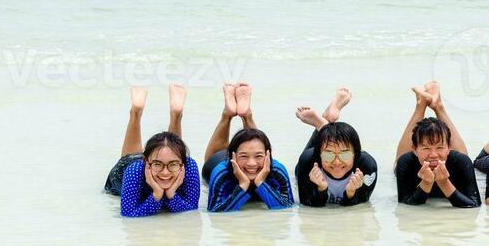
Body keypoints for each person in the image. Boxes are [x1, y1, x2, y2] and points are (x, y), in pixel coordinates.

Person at [105, 85, 200, 217]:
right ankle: (135, 112)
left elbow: (191, 212)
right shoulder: (134, 172)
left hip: (160, 160)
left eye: (173, 165)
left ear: (183, 164)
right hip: (127, 168)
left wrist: (171, 194)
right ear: (145, 161)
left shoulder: (190, 167)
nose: (165, 173)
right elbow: (128, 216)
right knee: (129, 157)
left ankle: (176, 113)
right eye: (158, 165)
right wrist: (156, 195)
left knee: (173, 149)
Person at [201, 82, 295, 211]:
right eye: (244, 156)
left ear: (268, 155)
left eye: (259, 156)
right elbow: (215, 211)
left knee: (254, 143)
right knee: (214, 156)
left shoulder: (277, 170)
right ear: (232, 156)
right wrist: (243, 185)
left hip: (251, 158)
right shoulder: (221, 172)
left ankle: (245, 115)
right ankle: (228, 116)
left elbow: (287, 208)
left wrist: (260, 182)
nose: (252, 163)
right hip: (218, 160)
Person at [394, 81, 480, 208]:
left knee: (462, 156)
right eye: (426, 148)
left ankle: (438, 106)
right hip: (412, 160)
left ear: (449, 147)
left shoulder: (461, 162)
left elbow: (474, 204)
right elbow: (405, 204)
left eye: (440, 147)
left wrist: (444, 182)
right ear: (415, 149)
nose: (433, 155)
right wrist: (426, 183)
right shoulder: (405, 163)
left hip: (454, 157)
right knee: (398, 162)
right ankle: (421, 105)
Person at [292, 87, 378, 207]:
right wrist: (321, 189)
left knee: (329, 141)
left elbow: (359, 206)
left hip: (333, 147)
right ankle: (323, 126)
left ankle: (323, 125)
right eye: (328, 155)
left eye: (345, 154)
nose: (337, 162)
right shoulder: (308, 160)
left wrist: (351, 193)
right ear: (319, 155)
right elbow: (306, 204)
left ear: (355, 154)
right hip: (314, 156)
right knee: (297, 173)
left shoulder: (366, 166)